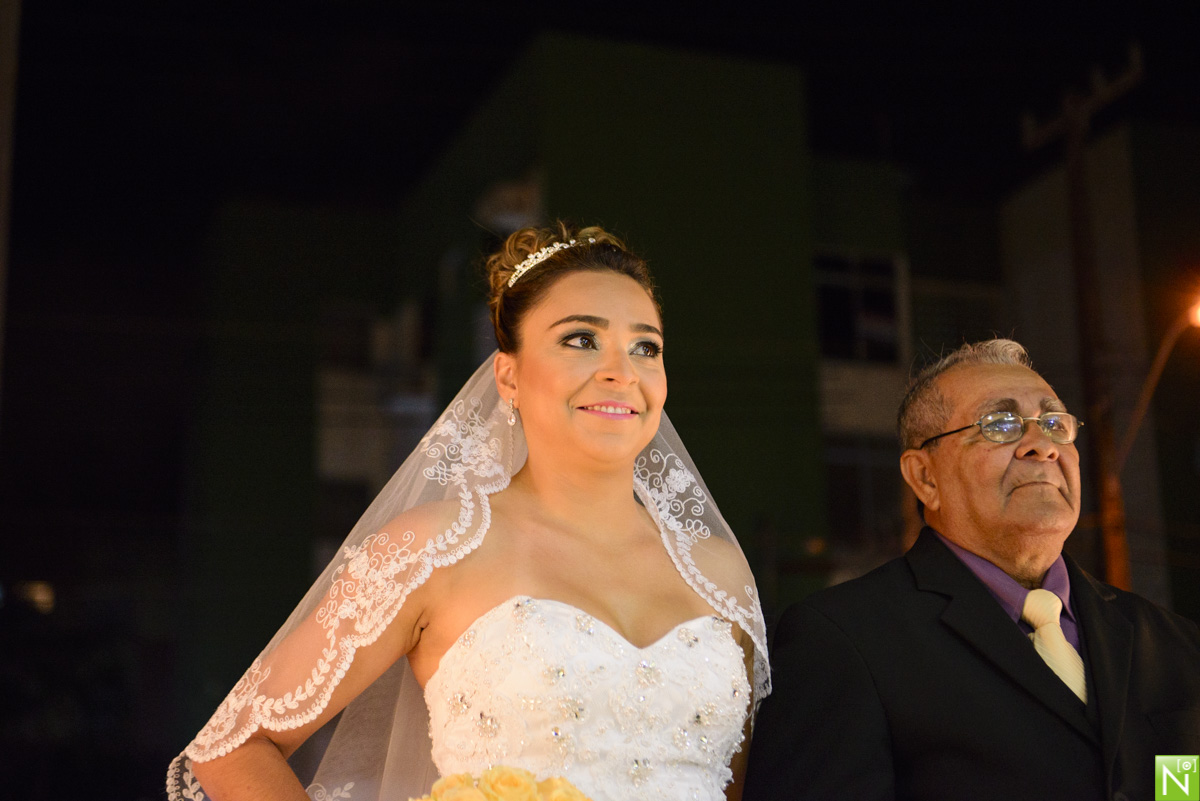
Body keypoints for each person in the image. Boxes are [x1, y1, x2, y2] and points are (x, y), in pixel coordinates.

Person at [167, 224, 770, 801]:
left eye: (646, 347)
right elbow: (233, 747)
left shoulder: (718, 574)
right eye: (581, 339)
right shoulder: (435, 548)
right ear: (508, 376)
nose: (621, 371)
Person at [744, 338, 1200, 801]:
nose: (1041, 446)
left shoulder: (1173, 642)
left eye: (1054, 423)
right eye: (1000, 424)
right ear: (925, 477)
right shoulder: (843, 640)